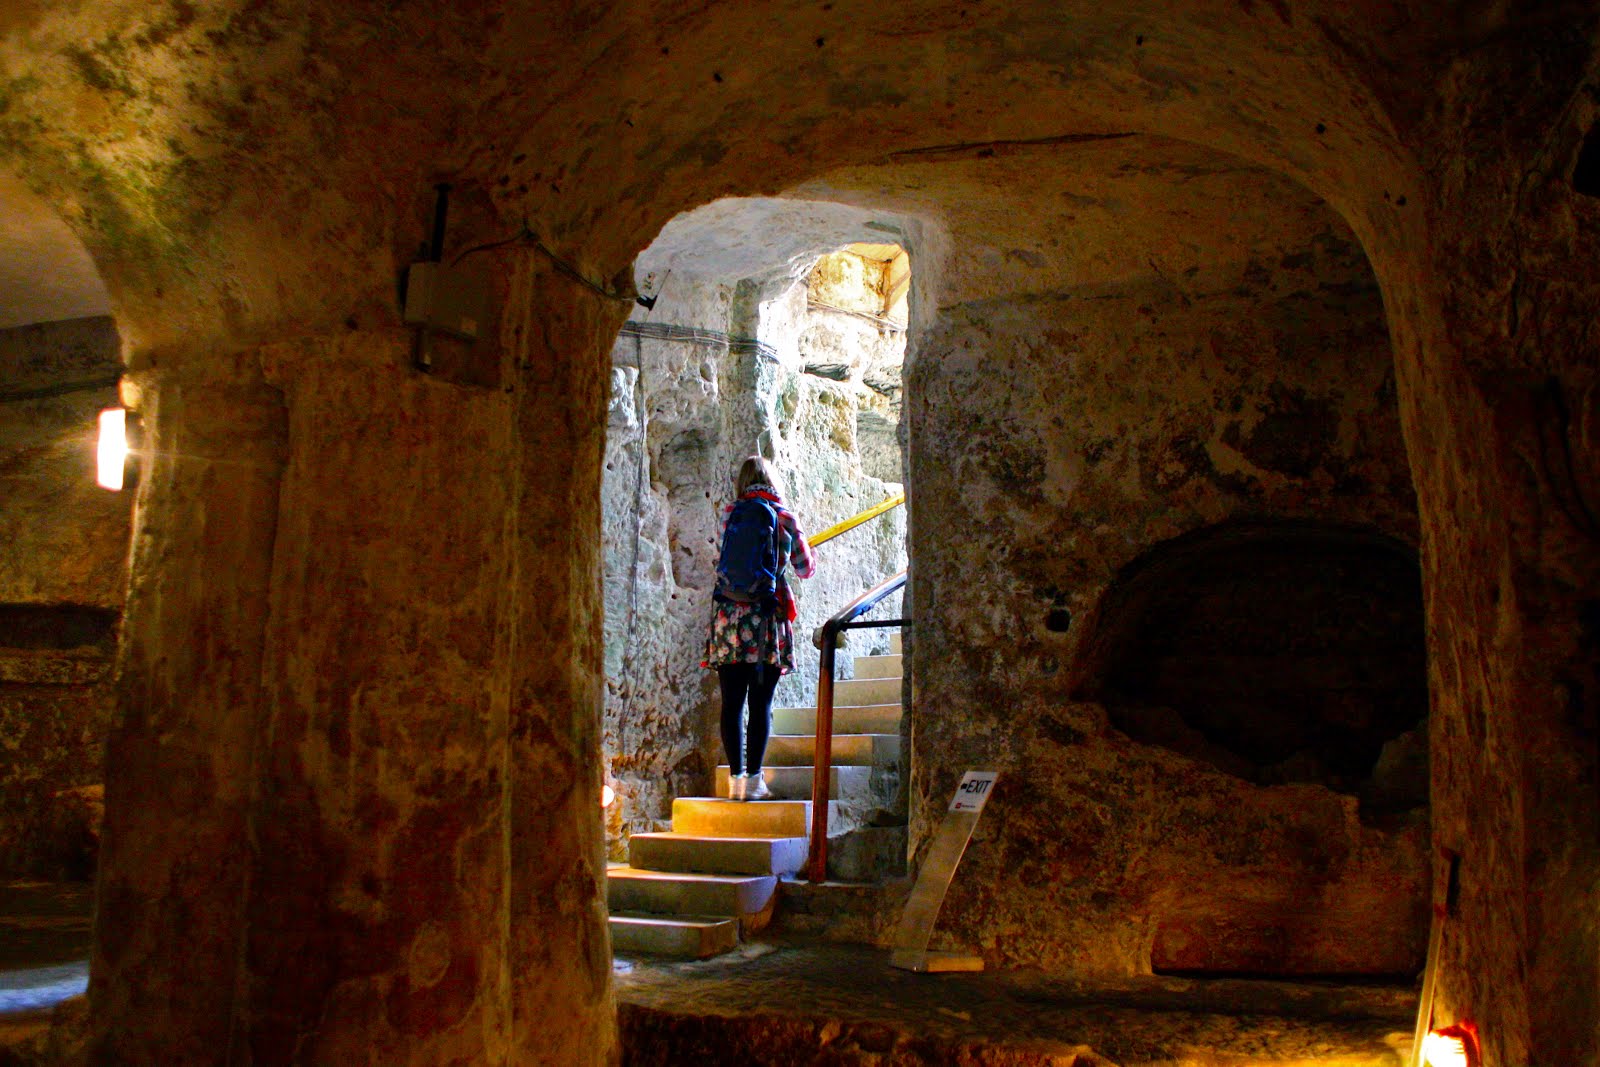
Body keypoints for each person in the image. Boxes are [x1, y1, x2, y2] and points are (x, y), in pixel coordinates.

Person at [702, 456, 815, 801]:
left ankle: (735, 781)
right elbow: (805, 568)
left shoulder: (730, 513)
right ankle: (754, 782)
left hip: (727, 618)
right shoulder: (784, 517)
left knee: (731, 704)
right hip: (765, 618)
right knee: (760, 704)